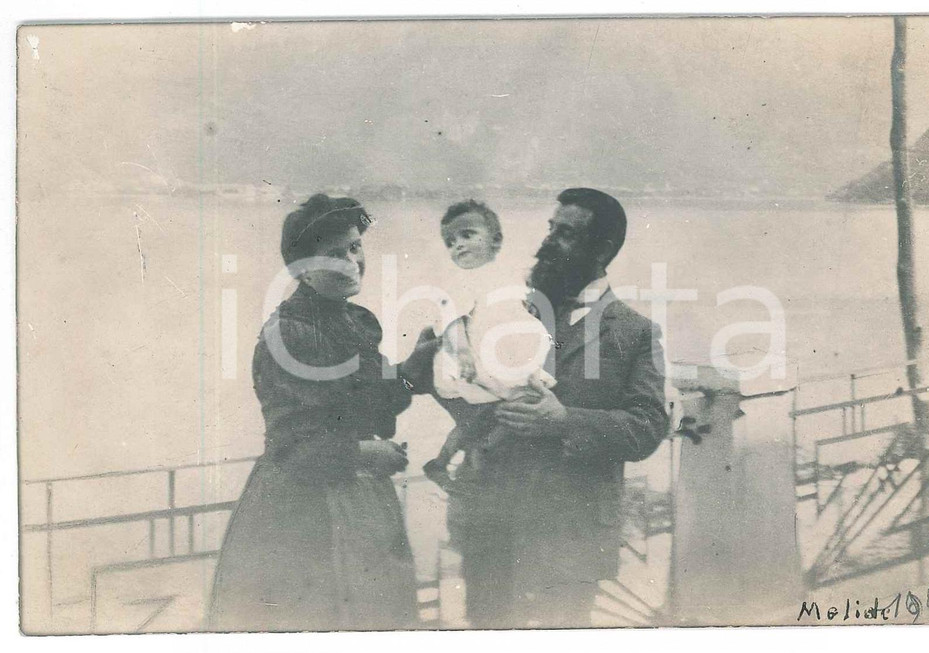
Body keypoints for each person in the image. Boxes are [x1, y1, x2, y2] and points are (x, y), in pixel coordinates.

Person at [441, 188, 670, 628]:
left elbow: (647, 426)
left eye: (566, 234)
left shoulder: (635, 332)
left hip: (569, 539)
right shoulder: (507, 305)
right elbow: (449, 377)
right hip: (491, 527)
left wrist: (564, 420)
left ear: (601, 249)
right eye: (550, 228)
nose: (547, 241)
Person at [207, 194, 425, 631]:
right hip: (303, 511)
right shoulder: (289, 335)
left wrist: (417, 367)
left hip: (360, 503)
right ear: (301, 269)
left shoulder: (351, 321)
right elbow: (294, 448)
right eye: (334, 254)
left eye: (355, 247)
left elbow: (374, 401)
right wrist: (367, 454)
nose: (352, 261)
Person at [421, 200, 555, 489]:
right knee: (491, 412)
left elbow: (521, 305)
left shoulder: (508, 274)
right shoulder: (460, 280)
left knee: (511, 406)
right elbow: (451, 321)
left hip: (507, 354)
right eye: (450, 242)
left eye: (467, 235)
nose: (458, 245)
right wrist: (463, 354)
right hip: (478, 358)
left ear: (496, 240)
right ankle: (451, 461)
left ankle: (468, 457)